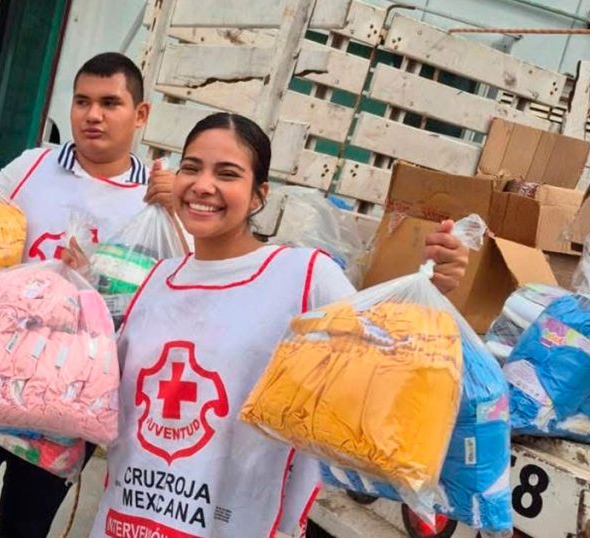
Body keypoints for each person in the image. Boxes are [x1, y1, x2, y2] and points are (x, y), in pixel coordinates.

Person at [76, 112, 469, 537]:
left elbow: (386, 358)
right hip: (126, 521)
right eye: (191, 167)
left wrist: (434, 286)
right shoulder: (156, 280)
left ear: (259, 195)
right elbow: (108, 398)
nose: (203, 185)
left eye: (227, 174)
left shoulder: (302, 277)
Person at [0, 52, 169, 538]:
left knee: (25, 527)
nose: (93, 115)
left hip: (69, 400)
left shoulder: (156, 200)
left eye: (111, 103)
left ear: (141, 114)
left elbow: (169, 294)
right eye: (82, 101)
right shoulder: (34, 167)